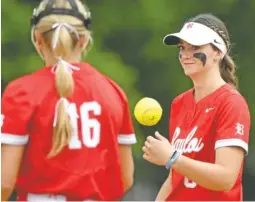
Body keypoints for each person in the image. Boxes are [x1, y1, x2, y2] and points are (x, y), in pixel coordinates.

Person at [1, 0, 137, 201]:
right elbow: (125, 178)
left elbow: (4, 182)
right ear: (83, 40)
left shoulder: (21, 91)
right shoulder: (112, 91)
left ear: (38, 38)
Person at [142, 13, 251, 201]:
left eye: (195, 47)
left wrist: (172, 157)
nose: (185, 55)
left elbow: (226, 178)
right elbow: (175, 177)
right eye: (182, 48)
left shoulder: (231, 103)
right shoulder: (179, 103)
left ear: (218, 52)